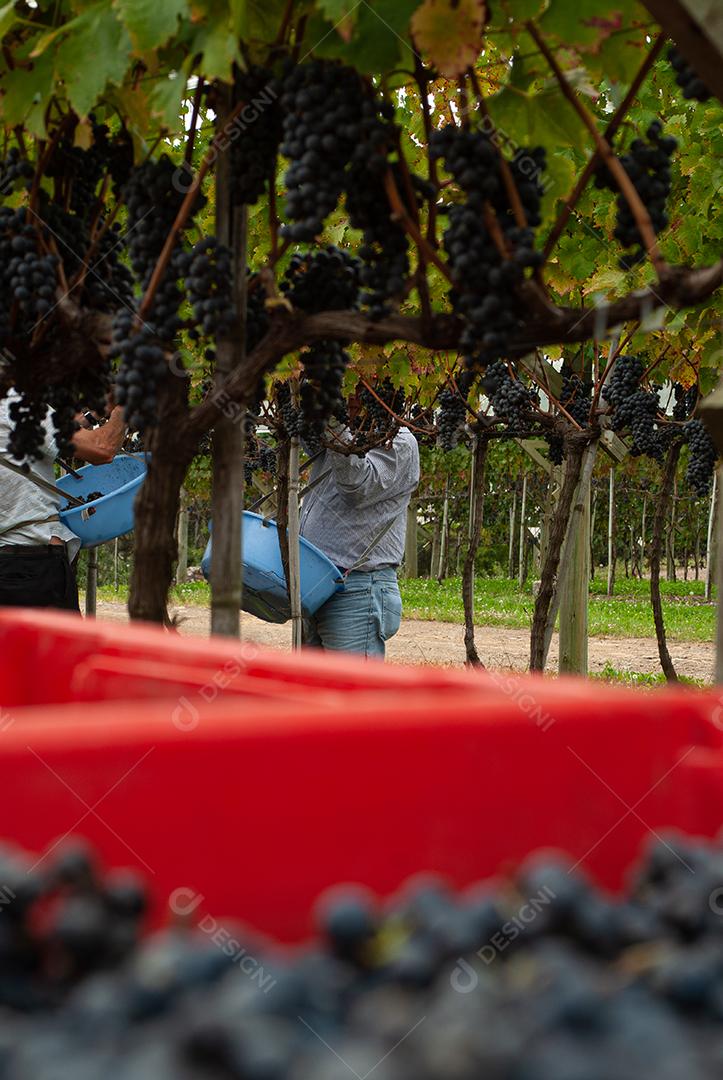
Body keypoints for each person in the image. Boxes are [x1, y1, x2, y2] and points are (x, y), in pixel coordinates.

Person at [300, 422, 420, 658]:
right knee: (312, 690)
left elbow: (357, 487)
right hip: (316, 583)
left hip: (357, 588)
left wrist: (335, 424)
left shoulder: (398, 442)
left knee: (351, 691)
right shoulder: (346, 432)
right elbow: (310, 441)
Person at [0, 391, 127, 612]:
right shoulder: (14, 404)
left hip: (10, 565)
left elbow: (48, 436)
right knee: (59, 647)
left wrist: (92, 414)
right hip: (33, 569)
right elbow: (102, 448)